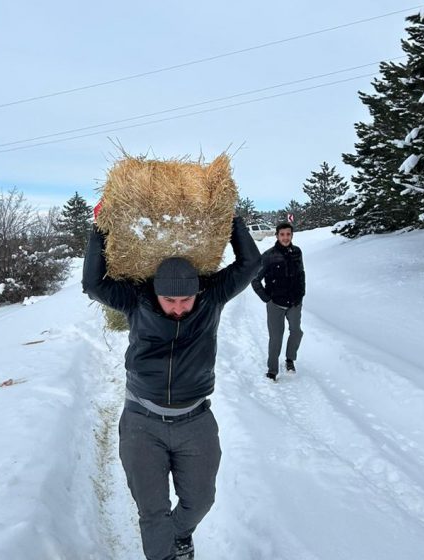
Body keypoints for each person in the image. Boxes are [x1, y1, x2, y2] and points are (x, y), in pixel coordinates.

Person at [82, 214, 261, 560]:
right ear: (156, 293)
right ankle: (165, 548)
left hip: (195, 421)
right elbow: (94, 285)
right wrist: (100, 229)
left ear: (198, 291)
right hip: (141, 421)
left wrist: (231, 218)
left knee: (201, 501)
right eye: (170, 301)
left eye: (185, 301)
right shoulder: (137, 300)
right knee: (152, 512)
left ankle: (179, 533)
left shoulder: (212, 298)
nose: (178, 308)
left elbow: (251, 263)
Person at [250, 222, 305, 381]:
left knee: (296, 332)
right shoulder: (268, 256)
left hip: (295, 302)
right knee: (276, 337)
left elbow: (301, 273)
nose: (285, 237)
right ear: (277, 236)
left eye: (288, 234)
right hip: (276, 303)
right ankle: (272, 370)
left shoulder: (297, 252)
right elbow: (255, 279)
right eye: (282, 234)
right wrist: (266, 298)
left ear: (292, 235)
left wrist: (301, 293)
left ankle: (290, 360)